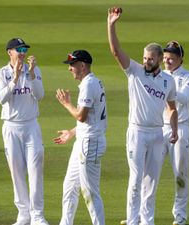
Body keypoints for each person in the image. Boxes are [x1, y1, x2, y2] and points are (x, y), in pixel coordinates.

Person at [107, 7, 178, 225]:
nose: (146, 61)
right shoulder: (135, 71)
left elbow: (172, 107)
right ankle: (132, 221)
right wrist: (111, 25)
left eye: (150, 59)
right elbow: (116, 51)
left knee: (151, 182)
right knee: (136, 180)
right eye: (144, 58)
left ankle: (147, 221)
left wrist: (174, 129)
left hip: (157, 133)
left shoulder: (168, 81)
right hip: (137, 132)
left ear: (159, 59)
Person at [0, 38, 49, 225]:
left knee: (35, 170)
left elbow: (40, 95)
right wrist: (15, 78)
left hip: (31, 126)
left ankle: (37, 215)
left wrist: (31, 74)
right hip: (11, 127)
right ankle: (24, 214)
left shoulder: (34, 71)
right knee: (16, 171)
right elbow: (1, 98)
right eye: (19, 49)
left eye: (24, 49)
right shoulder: (1, 73)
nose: (23, 52)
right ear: (10, 52)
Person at [53, 50, 107, 225]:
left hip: (90, 143)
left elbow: (81, 116)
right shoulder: (93, 82)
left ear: (82, 65)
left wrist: (66, 103)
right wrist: (72, 132)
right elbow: (91, 119)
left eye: (72, 65)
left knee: (90, 191)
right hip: (83, 140)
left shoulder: (89, 84)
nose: (70, 69)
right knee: (69, 186)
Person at [162, 41, 189, 225]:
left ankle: (180, 217)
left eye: (171, 58)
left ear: (180, 58)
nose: (167, 61)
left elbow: (183, 98)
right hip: (159, 127)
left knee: (180, 173)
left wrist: (164, 88)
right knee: (147, 173)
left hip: (181, 127)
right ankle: (140, 215)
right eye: (165, 57)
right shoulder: (158, 74)